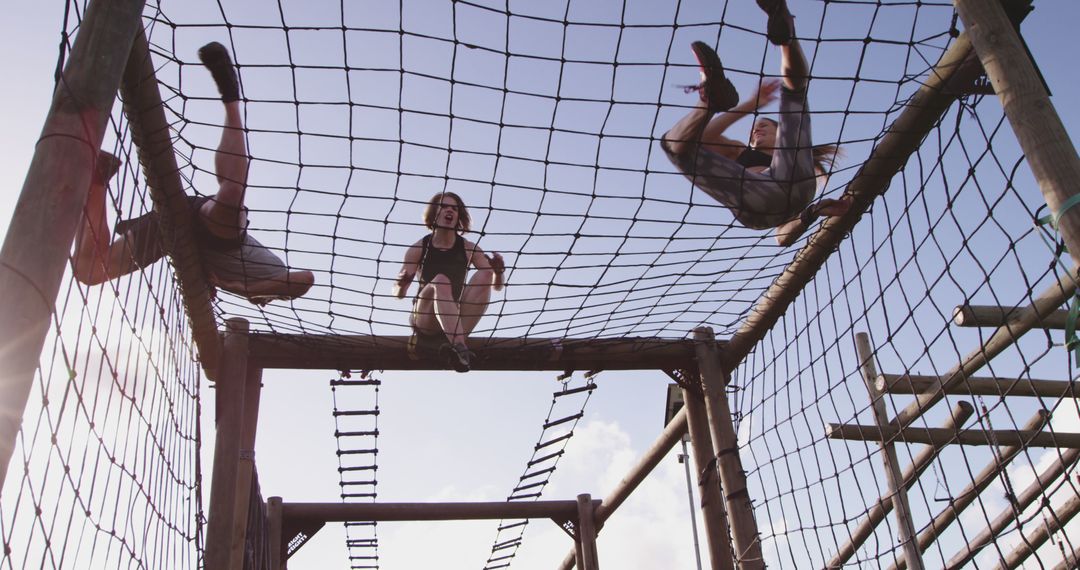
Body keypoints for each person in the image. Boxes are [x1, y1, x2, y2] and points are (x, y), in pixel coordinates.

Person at [73, 42, 314, 305]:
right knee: (232, 192)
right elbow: (305, 279)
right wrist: (237, 288)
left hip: (173, 236)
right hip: (221, 235)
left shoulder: (253, 289)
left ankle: (97, 180)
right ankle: (232, 100)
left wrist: (218, 283)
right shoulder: (267, 280)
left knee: (90, 271)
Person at [661, 0, 850, 246]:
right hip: (760, 203)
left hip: (792, 184)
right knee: (675, 145)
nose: (756, 129)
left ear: (781, 133)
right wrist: (811, 214)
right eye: (753, 129)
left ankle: (786, 34)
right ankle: (710, 101)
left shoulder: (794, 155)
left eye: (765, 126)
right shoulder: (741, 152)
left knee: (793, 93)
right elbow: (781, 238)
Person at [393, 192, 505, 372]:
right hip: (425, 319)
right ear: (434, 214)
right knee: (441, 281)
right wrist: (400, 285)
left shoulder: (469, 248)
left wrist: (498, 273)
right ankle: (460, 349)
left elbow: (497, 286)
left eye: (454, 208)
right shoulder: (418, 248)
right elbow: (399, 295)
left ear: (458, 217)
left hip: (454, 319)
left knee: (486, 274)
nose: (449, 211)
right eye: (444, 207)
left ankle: (455, 347)